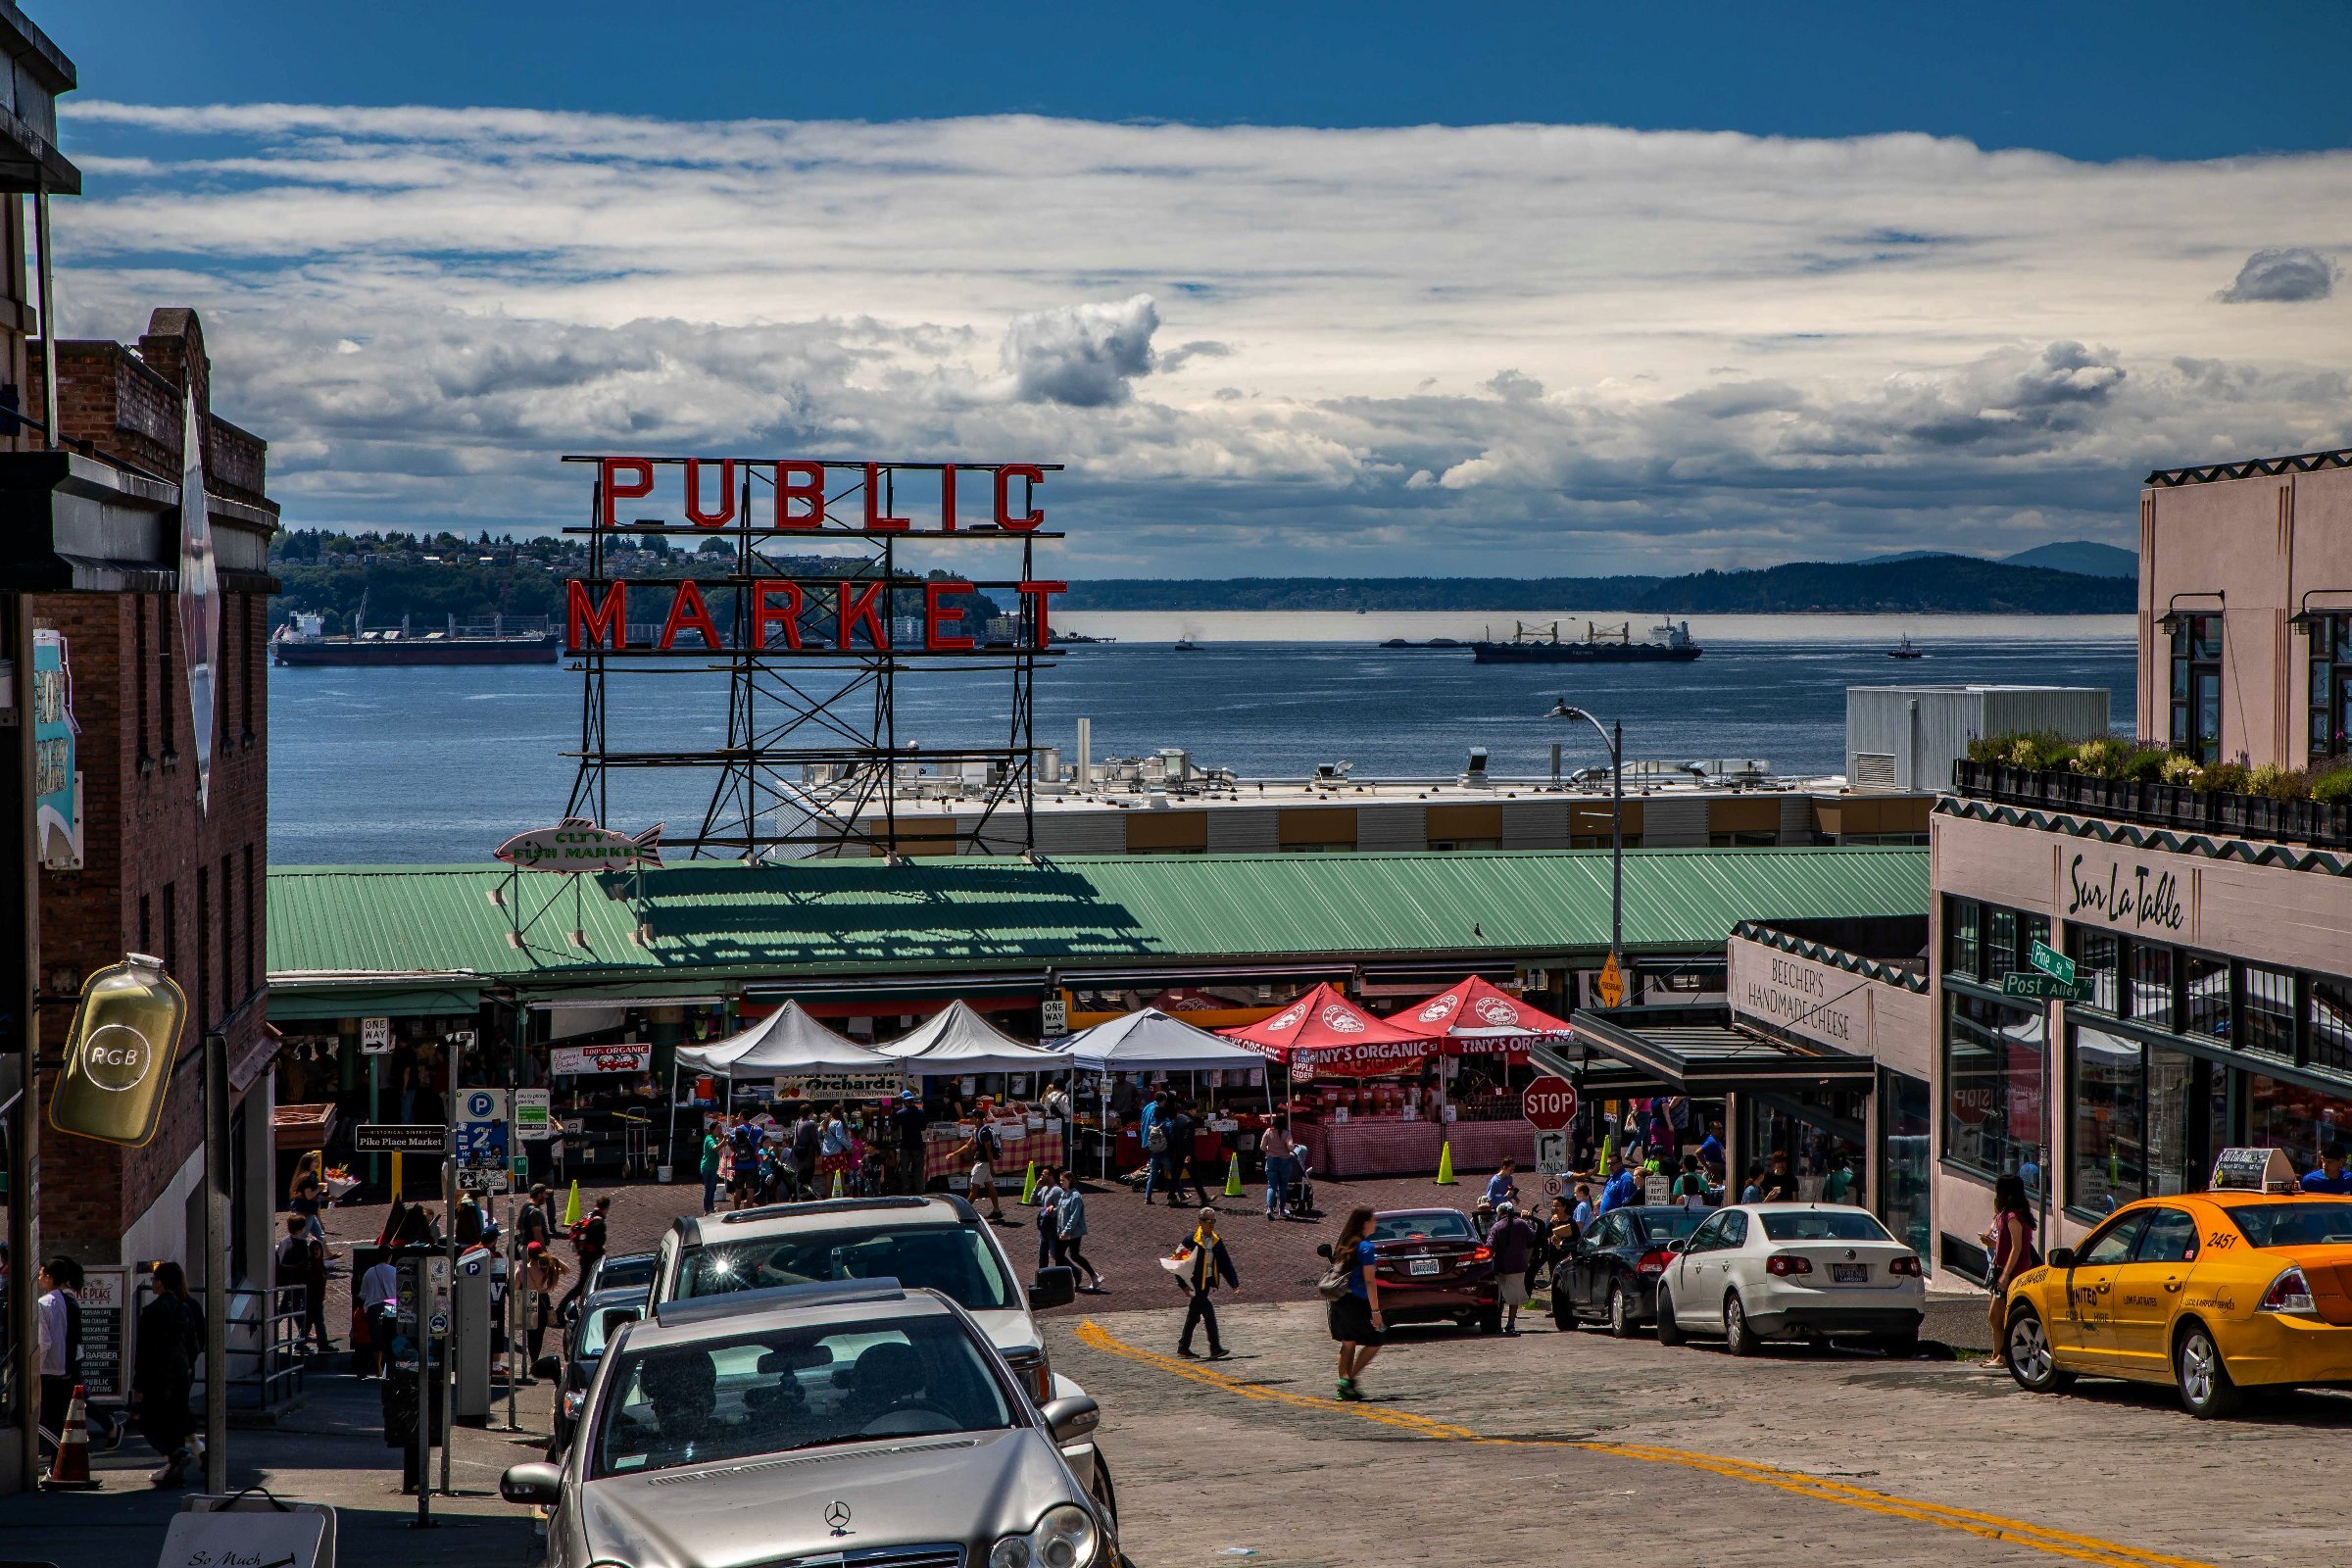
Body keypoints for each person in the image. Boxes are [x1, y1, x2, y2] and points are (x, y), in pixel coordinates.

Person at [132, 1261, 203, 1486]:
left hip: (157, 1374)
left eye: (154, 1279)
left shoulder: (151, 1312)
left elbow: (143, 1352)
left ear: (161, 1283)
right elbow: (193, 1343)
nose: (152, 1283)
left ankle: (174, 1455)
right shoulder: (186, 1307)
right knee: (175, 1416)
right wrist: (188, 1364)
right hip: (181, 1371)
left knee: (144, 1418)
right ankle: (177, 1464)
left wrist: (139, 1384)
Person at [1326, 1206, 1385, 1401]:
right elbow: (1369, 1280)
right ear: (1364, 1223)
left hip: (1339, 1300)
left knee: (1348, 1343)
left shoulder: (1346, 1244)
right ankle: (1347, 1381)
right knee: (1374, 1341)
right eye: (1373, 1220)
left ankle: (1344, 1388)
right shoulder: (1367, 1248)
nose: (1375, 1223)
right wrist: (1375, 1310)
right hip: (1356, 1301)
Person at [1984, 1172, 2041, 1368]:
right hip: (2002, 1270)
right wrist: (1992, 1242)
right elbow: (2007, 1243)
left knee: (2003, 1315)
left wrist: (2006, 1274)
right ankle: (1997, 1353)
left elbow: (2017, 1247)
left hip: (2013, 1272)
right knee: (1995, 1315)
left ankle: (2003, 1356)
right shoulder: (2006, 1215)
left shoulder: (2013, 1216)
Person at [1174, 1207, 1238, 1360]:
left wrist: (1234, 1282)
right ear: (1200, 1222)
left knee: (1193, 1315)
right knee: (1208, 1311)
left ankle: (1183, 1347)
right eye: (1208, 1221)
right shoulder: (1190, 1240)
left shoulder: (1216, 1241)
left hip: (1207, 1283)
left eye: (1213, 1221)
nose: (1212, 1224)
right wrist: (1182, 1285)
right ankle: (1215, 1347)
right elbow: (1177, 1263)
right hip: (1195, 1283)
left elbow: (1225, 1263)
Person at [275, 1214, 332, 1353]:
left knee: (290, 1308)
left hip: (285, 1282)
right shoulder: (301, 1245)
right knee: (300, 1311)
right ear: (301, 1229)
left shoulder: (283, 1241)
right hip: (298, 1283)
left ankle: (302, 1339)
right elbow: (306, 1265)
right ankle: (303, 1341)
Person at [1486, 1200, 1539, 1334]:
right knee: (1514, 1297)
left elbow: (1490, 1245)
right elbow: (1532, 1237)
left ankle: (1496, 1321)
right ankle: (1511, 1322)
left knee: (1499, 1295)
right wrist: (1528, 1221)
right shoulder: (1521, 1224)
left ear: (1499, 1213)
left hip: (1500, 1266)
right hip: (1518, 1265)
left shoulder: (1496, 1227)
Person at [1054, 1169, 1103, 1293]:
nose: (1061, 1183)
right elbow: (1061, 1210)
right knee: (1063, 1255)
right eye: (1060, 1180)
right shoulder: (1064, 1194)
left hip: (1073, 1233)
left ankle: (1088, 1276)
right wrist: (1053, 1209)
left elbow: (1074, 1217)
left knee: (1068, 1255)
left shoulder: (1075, 1196)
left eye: (1063, 1180)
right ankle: (1081, 1276)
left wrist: (1066, 1231)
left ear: (1070, 1180)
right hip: (1063, 1231)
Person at [560, 1197, 608, 1318]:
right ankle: (560, 1311)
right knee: (582, 1287)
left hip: (585, 1256)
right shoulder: (599, 1223)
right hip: (591, 1258)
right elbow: (599, 1242)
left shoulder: (589, 1217)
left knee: (585, 1285)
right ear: (606, 1208)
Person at [955, 1115, 1008, 1224]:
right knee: (989, 1185)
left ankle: (963, 1211)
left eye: (973, 1118)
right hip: (985, 1164)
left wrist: (992, 1168)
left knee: (974, 1190)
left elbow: (989, 1152)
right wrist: (954, 1154)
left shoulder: (984, 1133)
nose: (970, 1120)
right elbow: (967, 1146)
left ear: (978, 1119)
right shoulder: (977, 1131)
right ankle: (997, 1210)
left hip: (982, 1164)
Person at [358, 1250, 400, 1380]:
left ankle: (378, 1367)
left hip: (374, 1307)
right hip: (391, 1306)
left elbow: (363, 1294)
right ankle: (390, 1369)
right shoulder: (394, 1271)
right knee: (391, 1337)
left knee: (376, 1337)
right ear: (390, 1257)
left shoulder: (370, 1272)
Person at [524, 1242, 566, 1365]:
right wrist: (553, 1258)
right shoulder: (546, 1269)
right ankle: (535, 1359)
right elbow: (566, 1270)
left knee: (531, 1332)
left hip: (529, 1297)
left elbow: (515, 1286)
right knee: (540, 1332)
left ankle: (533, 1360)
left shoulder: (522, 1268)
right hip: (543, 1299)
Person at [1260, 1115, 1298, 1221]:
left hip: (1271, 1161)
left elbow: (1262, 1147)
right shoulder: (1286, 1133)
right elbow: (1290, 1147)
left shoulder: (1268, 1131)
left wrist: (1269, 1148)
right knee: (1283, 1187)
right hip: (1284, 1162)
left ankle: (1269, 1209)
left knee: (1271, 1186)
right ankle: (1282, 1210)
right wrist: (1293, 1146)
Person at [891, 1090, 929, 1195]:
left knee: (904, 1170)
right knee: (918, 1170)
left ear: (904, 1101)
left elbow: (894, 1128)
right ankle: (919, 1191)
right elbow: (923, 1127)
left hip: (905, 1145)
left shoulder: (900, 1113)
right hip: (918, 1144)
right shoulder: (920, 1112)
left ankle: (905, 1191)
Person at [1034, 1165, 1068, 1271]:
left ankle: (1074, 1272)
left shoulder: (1057, 1191)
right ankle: (1041, 1280)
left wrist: (1052, 1209)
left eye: (1043, 1175)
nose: (1041, 1177)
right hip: (1044, 1226)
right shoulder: (1044, 1189)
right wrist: (1036, 1187)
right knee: (1042, 1254)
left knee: (1055, 1254)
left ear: (1051, 1176)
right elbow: (1032, 1201)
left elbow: (1064, 1208)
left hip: (1053, 1227)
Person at [700, 1115, 724, 1215]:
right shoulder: (709, 1138)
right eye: (718, 1128)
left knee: (713, 1188)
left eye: (720, 1128)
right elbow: (715, 1148)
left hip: (713, 1167)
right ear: (712, 1130)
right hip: (707, 1167)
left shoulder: (716, 1139)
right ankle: (707, 1210)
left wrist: (724, 1140)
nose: (720, 1130)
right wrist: (723, 1141)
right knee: (709, 1188)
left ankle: (711, 1208)